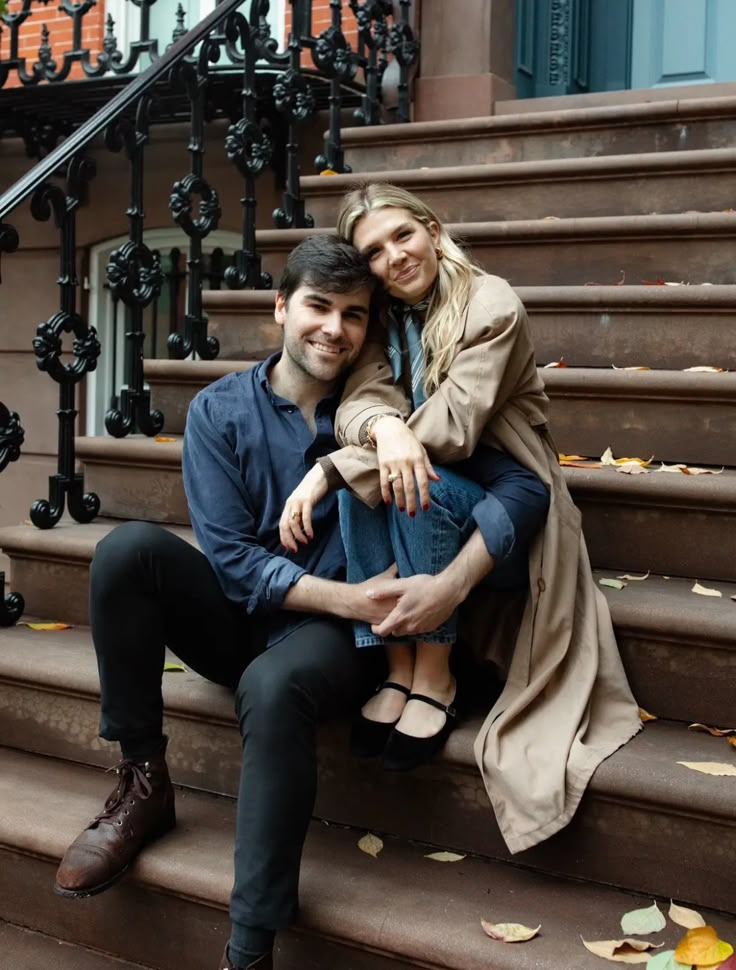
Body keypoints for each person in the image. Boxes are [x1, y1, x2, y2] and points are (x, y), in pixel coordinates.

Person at [52, 234, 499, 970]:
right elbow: (227, 559)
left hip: (330, 644)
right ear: (281, 308)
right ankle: (142, 781)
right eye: (318, 307)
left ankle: (250, 947)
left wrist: (364, 599)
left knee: (274, 682)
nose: (334, 329)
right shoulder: (219, 409)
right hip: (267, 615)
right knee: (126, 551)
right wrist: (353, 599)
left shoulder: (382, 413)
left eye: (354, 315)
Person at [280, 184, 642, 855]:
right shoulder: (383, 319)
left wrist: (338, 466)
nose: (394, 257)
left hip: (502, 491)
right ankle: (397, 665)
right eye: (374, 251)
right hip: (434, 482)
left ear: (432, 229)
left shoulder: (491, 303)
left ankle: (437, 675)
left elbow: (455, 426)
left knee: (404, 480)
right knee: (388, 474)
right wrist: (383, 428)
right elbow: (358, 402)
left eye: (402, 237)